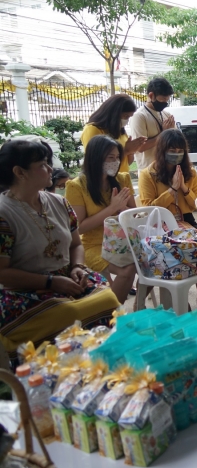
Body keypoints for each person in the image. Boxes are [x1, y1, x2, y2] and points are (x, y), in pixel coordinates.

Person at [0, 140, 119, 360]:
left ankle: (102, 363)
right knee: (68, 313)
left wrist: (78, 267)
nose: (49, 169)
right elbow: (3, 273)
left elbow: (75, 244)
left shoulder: (58, 203)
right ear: (19, 172)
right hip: (23, 290)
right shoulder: (4, 213)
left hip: (67, 276)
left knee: (107, 299)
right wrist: (51, 282)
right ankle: (58, 370)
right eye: (42, 164)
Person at [138, 129, 197, 314]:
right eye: (172, 150)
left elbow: (196, 205)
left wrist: (184, 188)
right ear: (162, 150)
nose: (176, 154)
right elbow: (148, 207)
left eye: (180, 151)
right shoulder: (149, 174)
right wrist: (171, 190)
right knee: (173, 250)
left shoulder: (190, 172)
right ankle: (181, 299)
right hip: (159, 222)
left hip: (185, 219)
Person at [66, 136, 138, 302]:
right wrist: (111, 209)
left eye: (118, 157)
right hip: (93, 245)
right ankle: (112, 315)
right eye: (110, 158)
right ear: (96, 158)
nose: (115, 162)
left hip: (124, 241)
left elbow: (134, 214)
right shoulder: (76, 186)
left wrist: (123, 209)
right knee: (127, 270)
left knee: (155, 259)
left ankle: (139, 305)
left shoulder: (122, 179)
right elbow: (79, 227)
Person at [81, 94, 146, 174]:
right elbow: (95, 162)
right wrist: (125, 150)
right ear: (114, 113)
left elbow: (126, 162)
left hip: (122, 179)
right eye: (125, 116)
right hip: (105, 182)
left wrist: (131, 151)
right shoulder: (93, 129)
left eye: (129, 117)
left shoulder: (120, 130)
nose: (127, 120)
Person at [128, 77, 177, 170]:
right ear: (151, 96)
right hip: (148, 171)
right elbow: (140, 147)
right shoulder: (139, 116)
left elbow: (176, 142)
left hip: (167, 169)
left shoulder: (166, 115)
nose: (165, 103)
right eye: (162, 99)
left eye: (167, 100)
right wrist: (164, 133)